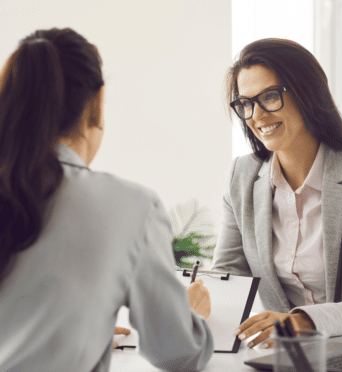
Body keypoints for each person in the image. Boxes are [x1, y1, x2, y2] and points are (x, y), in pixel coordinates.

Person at [0, 28, 213, 371]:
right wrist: (189, 315)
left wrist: (78, 328)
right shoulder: (131, 207)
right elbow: (179, 354)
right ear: (97, 104)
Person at [211, 38, 342, 349]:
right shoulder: (242, 177)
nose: (257, 116)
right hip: (286, 357)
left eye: (270, 96)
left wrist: (299, 322)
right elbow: (227, 280)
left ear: (307, 94)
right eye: (245, 103)